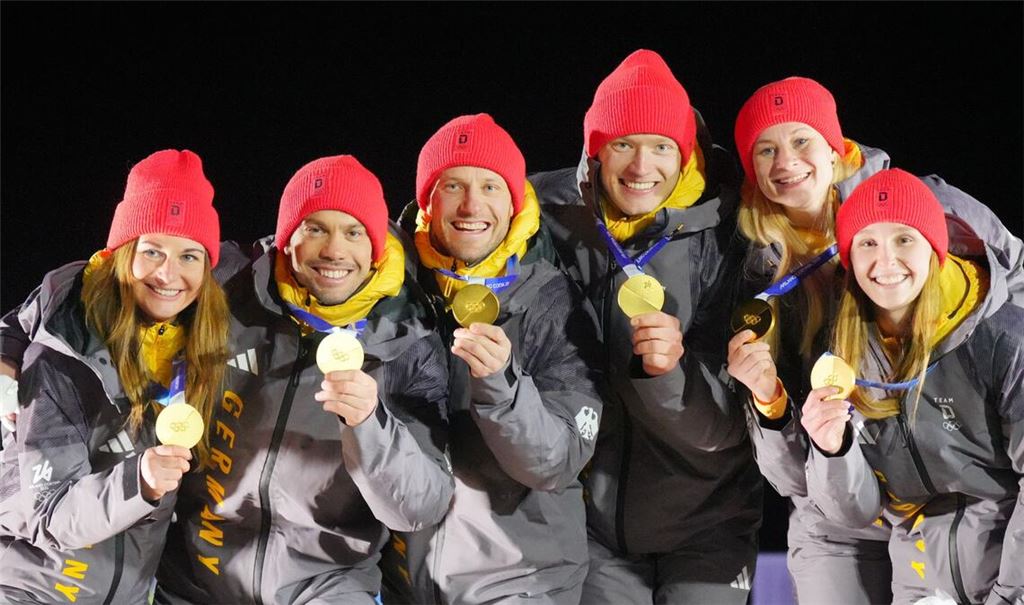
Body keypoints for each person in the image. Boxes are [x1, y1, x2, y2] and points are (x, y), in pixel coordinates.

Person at [726, 76, 1024, 604]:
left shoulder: (920, 203)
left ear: (836, 147)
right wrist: (774, 408)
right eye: (765, 149)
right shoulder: (761, 274)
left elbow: (1012, 278)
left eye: (801, 140)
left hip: (951, 483)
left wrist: (979, 379)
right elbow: (802, 470)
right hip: (849, 490)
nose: (785, 162)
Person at [151, 154, 454, 603]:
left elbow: (420, 507)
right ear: (287, 238)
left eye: (353, 233)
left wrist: (370, 426)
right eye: (315, 229)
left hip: (326, 585)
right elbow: (106, 279)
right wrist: (9, 356)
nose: (334, 250)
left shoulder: (408, 340)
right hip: (196, 576)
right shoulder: (229, 287)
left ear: (375, 250)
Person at [530, 49, 761, 603]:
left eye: (661, 146)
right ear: (594, 149)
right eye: (622, 144)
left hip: (710, 518)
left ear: (685, 154)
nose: (640, 167)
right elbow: (438, 230)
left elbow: (728, 428)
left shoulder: (732, 231)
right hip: (589, 523)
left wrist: (667, 376)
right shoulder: (541, 214)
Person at [381, 113, 603, 604]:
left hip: (523, 583)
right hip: (401, 581)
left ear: (515, 201)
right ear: (427, 200)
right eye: (452, 185)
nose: (471, 204)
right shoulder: (388, 288)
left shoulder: (553, 301)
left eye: (490, 186)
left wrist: (502, 387)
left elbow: (557, 460)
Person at [0, 149, 230, 604]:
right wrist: (138, 481)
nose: (170, 274)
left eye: (189, 255)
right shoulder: (63, 354)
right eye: (152, 251)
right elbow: (50, 514)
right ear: (121, 254)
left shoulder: (202, 334)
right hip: (32, 588)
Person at [802, 168, 1023, 605]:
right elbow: (855, 512)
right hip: (921, 583)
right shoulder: (842, 353)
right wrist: (834, 451)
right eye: (867, 242)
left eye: (904, 238)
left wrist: (1009, 596)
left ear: (935, 248)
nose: (885, 263)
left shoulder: (1003, 337)